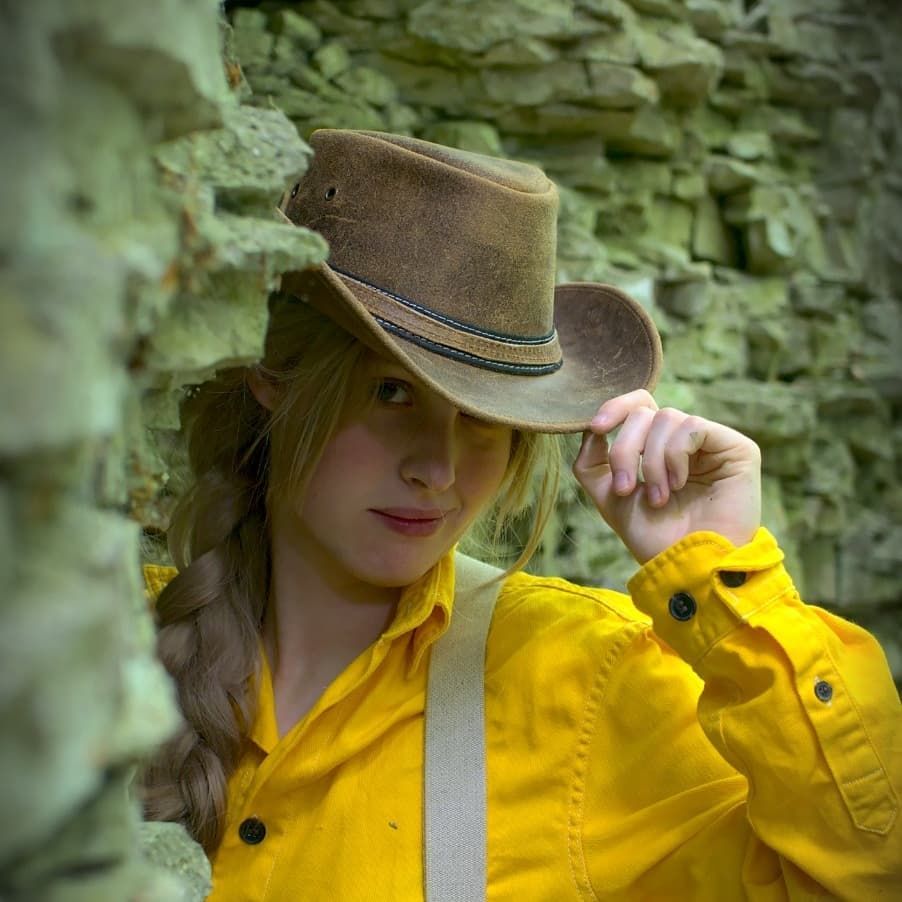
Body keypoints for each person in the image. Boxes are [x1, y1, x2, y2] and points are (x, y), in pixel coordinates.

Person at [140, 130, 901, 900]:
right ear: (274, 374)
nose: (437, 470)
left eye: (481, 418)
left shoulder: (585, 679)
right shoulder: (100, 634)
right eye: (390, 392)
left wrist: (726, 580)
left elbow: (868, 876)